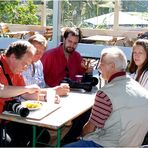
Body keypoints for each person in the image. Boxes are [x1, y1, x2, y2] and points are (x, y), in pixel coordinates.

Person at [64, 47, 148, 147]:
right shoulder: (139, 88)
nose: (99, 67)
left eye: (101, 63)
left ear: (112, 66)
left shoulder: (106, 93)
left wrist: (80, 135)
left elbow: (90, 128)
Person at [41, 27, 92, 145]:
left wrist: (87, 71)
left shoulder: (77, 56)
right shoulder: (49, 55)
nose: (72, 45)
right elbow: (39, 81)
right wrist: (52, 91)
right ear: (64, 39)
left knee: (88, 112)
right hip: (51, 99)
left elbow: (79, 78)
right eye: (69, 41)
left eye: (75, 43)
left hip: (71, 99)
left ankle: (68, 141)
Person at [0, 40, 50, 147]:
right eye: (25, 64)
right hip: (5, 119)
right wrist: (26, 88)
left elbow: (25, 94)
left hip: (9, 118)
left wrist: (46, 97)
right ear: (13, 57)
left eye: (28, 65)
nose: (25, 67)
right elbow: (1, 90)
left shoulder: (16, 70)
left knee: (42, 136)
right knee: (8, 143)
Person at [22, 33, 70, 98]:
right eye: (35, 50)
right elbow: (23, 93)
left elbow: (42, 86)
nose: (38, 54)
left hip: (38, 101)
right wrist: (53, 91)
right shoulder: (21, 65)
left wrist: (59, 89)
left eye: (41, 52)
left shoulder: (38, 64)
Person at [128, 39, 148, 145]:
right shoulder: (135, 73)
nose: (137, 56)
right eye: (134, 53)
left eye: (140, 53)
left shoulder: (147, 74)